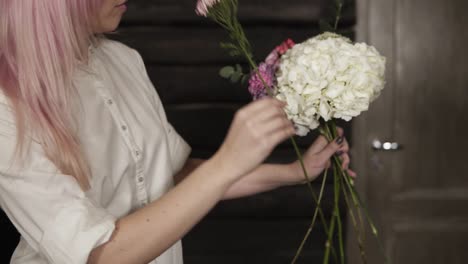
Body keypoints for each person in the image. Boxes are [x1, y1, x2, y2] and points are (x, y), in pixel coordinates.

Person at [0, 1, 355, 263]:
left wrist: (296, 172)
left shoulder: (123, 60)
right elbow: (101, 256)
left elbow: (172, 176)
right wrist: (227, 161)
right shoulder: (6, 106)